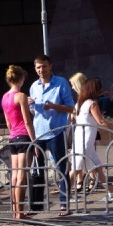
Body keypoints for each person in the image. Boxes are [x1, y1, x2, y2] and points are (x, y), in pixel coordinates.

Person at [29, 54, 75, 216]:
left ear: (50, 66)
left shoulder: (61, 82)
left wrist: (54, 106)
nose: (41, 70)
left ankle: (64, 203)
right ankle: (37, 205)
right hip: (38, 133)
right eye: (38, 67)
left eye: (44, 66)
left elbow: (71, 108)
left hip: (56, 132)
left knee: (61, 168)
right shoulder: (33, 86)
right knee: (38, 170)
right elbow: (33, 112)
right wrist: (29, 105)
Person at [70, 78, 113, 200]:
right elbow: (100, 121)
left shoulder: (79, 104)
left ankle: (110, 190)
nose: (100, 89)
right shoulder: (92, 104)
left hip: (81, 139)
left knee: (97, 166)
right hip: (86, 140)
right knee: (76, 168)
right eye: (99, 87)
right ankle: (64, 194)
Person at [1, 65, 36, 219]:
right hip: (23, 136)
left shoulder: (4, 97)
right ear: (21, 79)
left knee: (14, 176)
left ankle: (15, 211)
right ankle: (20, 212)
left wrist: (13, 133)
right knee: (22, 175)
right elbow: (28, 122)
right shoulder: (21, 96)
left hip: (13, 137)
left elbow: (8, 123)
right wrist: (34, 142)